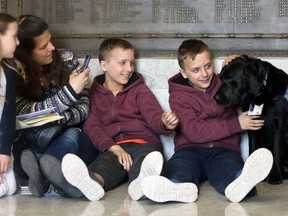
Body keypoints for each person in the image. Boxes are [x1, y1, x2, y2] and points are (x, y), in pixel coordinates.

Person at [140, 39, 273, 203]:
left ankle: (240, 182)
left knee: (228, 169)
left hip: (224, 149)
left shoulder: (225, 82)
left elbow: (256, 71)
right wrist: (237, 124)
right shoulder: (179, 96)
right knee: (180, 168)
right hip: (189, 150)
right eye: (195, 70)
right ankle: (174, 186)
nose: (204, 74)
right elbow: (195, 131)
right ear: (183, 73)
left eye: (208, 66)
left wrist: (240, 59)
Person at [61, 38, 179, 201]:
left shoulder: (139, 90)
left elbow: (153, 115)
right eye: (122, 63)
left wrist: (164, 123)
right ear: (104, 66)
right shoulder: (93, 94)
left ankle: (142, 184)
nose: (129, 68)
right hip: (114, 147)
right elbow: (92, 126)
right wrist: (112, 147)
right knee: (104, 164)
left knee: (146, 159)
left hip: (143, 144)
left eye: (131, 63)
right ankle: (93, 183)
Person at [13, 15, 99, 198]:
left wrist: (58, 119)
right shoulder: (15, 73)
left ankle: (43, 168)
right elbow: (25, 116)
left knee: (72, 134)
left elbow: (84, 108)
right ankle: (48, 170)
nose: (52, 47)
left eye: (50, 40)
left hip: (67, 139)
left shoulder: (66, 59)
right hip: (33, 140)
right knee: (30, 146)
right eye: (43, 46)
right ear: (26, 54)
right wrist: (70, 93)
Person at [0, 13, 22, 198]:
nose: (18, 42)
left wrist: (3, 151)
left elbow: (8, 116)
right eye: (14, 36)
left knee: (11, 186)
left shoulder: (8, 74)